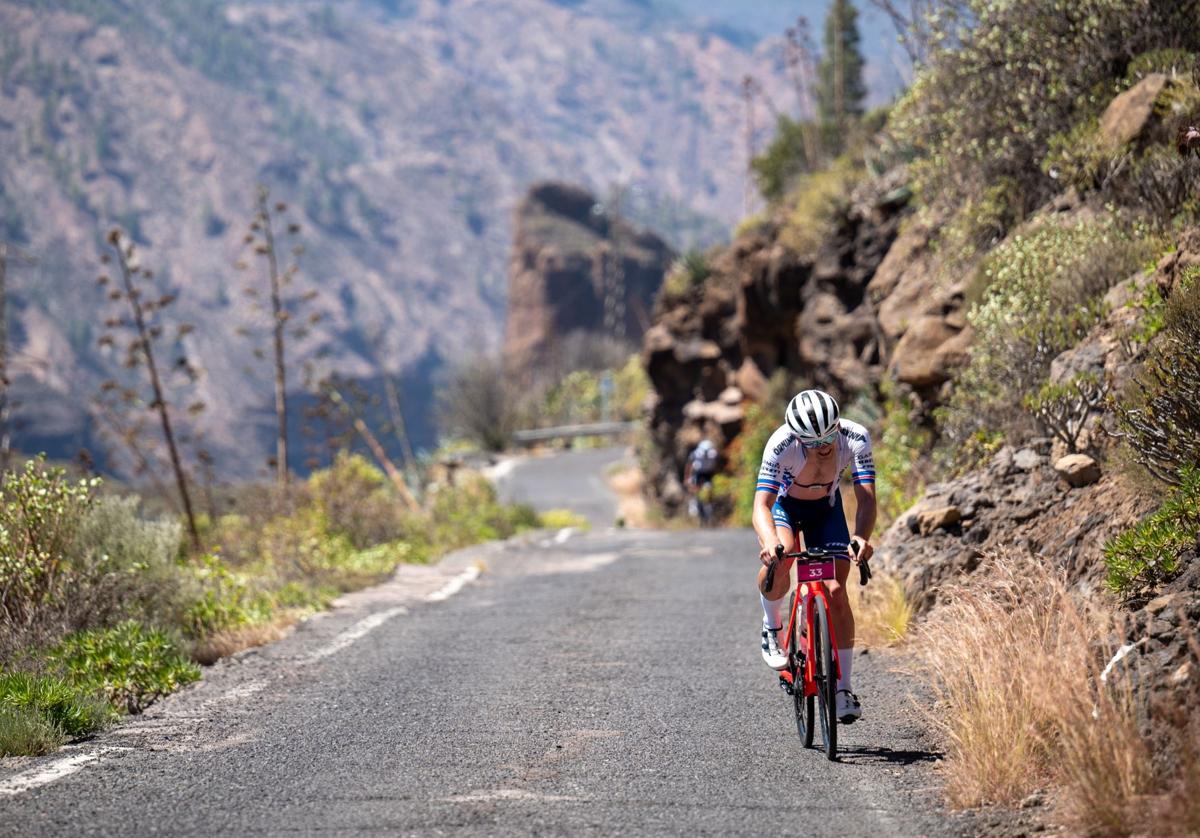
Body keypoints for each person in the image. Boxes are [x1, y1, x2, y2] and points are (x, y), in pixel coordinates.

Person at [752, 388, 875, 724]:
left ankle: (843, 689)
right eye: (813, 442)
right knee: (785, 556)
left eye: (828, 438)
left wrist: (861, 537)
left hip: (827, 509)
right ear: (797, 437)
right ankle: (772, 623)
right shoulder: (780, 444)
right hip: (785, 506)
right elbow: (761, 504)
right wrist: (768, 542)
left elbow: (866, 500)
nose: (823, 447)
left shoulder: (855, 438)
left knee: (836, 591)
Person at [684, 438, 718, 522]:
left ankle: (709, 507)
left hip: (708, 474)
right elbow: (689, 465)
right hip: (698, 473)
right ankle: (694, 504)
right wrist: (687, 477)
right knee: (694, 488)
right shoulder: (696, 454)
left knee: (709, 489)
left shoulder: (713, 454)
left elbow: (717, 465)